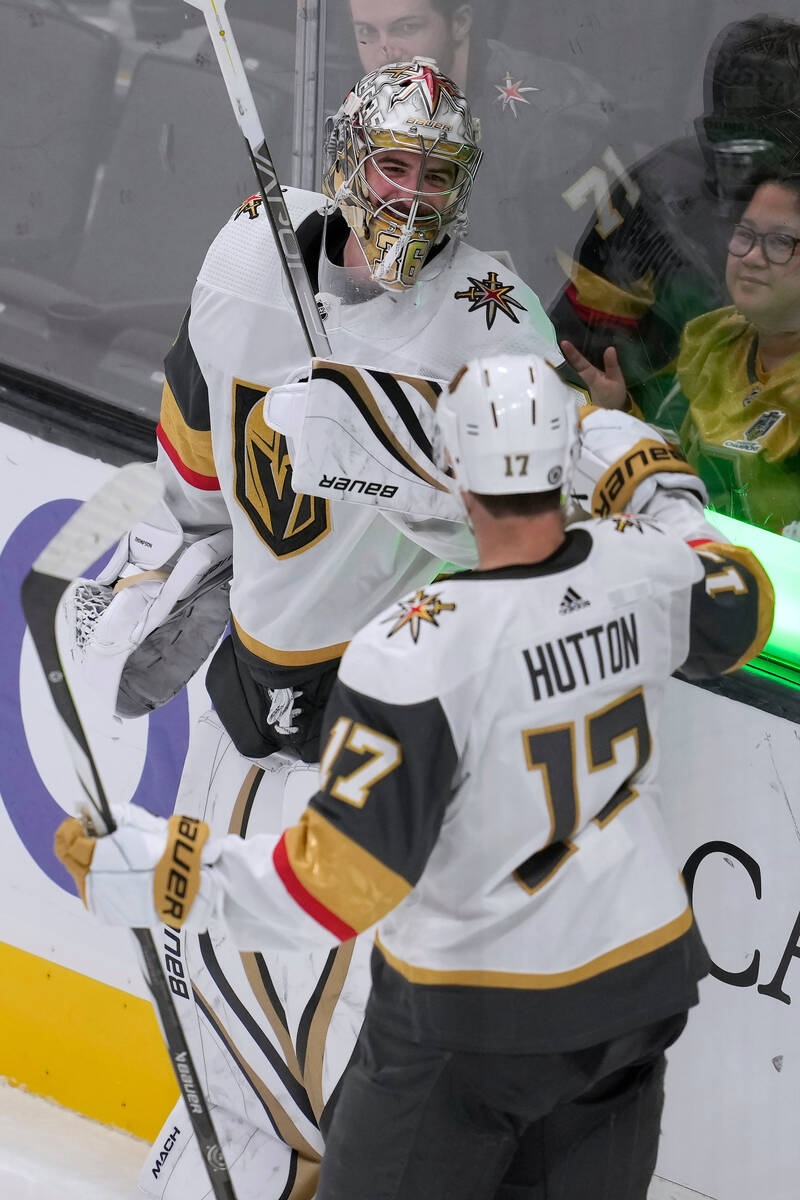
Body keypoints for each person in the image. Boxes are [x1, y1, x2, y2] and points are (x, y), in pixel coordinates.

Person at [56, 353, 775, 1199]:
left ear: (456, 476)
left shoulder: (420, 647)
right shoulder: (643, 569)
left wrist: (165, 872)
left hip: (479, 1018)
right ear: (564, 465)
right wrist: (648, 474)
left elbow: (338, 884)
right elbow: (742, 605)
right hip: (636, 987)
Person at [58, 59, 560, 1200]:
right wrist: (173, 556)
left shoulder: (493, 317)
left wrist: (386, 452)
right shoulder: (252, 251)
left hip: (385, 720)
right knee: (205, 976)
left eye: (438, 175)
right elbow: (198, 429)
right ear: (346, 162)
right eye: (393, 166)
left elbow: (534, 524)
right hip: (250, 691)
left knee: (332, 1025)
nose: (413, 196)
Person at [550, 13, 800, 410]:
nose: (749, 173)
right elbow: (582, 357)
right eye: (732, 141)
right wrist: (616, 414)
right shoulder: (659, 194)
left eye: (770, 149)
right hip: (671, 427)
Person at [562, 172, 800, 535]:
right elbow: (679, 462)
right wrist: (620, 412)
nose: (752, 257)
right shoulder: (715, 341)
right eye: (746, 234)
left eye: (781, 242)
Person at [341, 0, 616, 301]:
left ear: (459, 23)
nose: (387, 52)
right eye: (367, 32)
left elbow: (612, 293)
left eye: (407, 28)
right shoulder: (342, 102)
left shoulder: (552, 123)